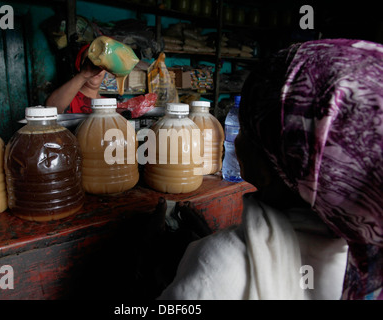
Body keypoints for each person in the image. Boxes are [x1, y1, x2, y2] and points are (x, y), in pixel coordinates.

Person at [158, 39, 383, 300]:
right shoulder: (364, 251)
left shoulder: (216, 267)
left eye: (243, 128)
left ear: (267, 166)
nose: (233, 140)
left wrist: (153, 272)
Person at [46, 44, 107, 114]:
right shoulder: (68, 98)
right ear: (79, 67)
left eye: (101, 63)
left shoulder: (108, 103)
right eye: (89, 62)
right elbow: (50, 109)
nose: (96, 67)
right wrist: (84, 75)